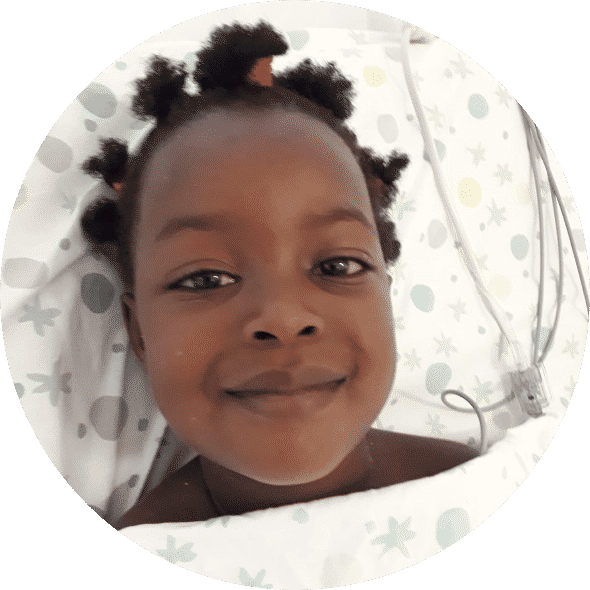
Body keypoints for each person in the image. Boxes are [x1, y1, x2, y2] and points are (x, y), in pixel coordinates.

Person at [80, 21, 478, 530]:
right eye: (206, 279)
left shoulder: (485, 486)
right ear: (139, 333)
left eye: (337, 267)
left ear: (386, 297)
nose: (283, 318)